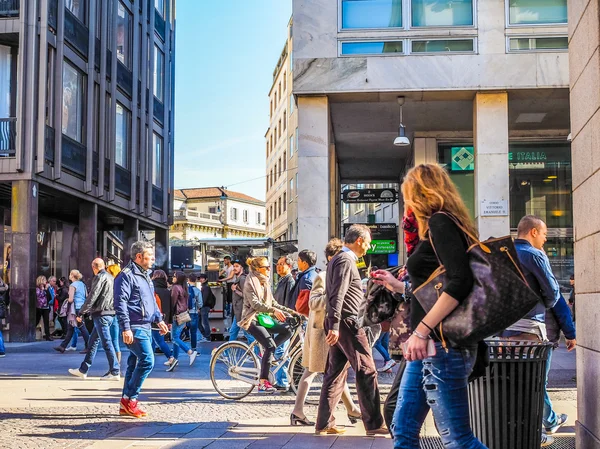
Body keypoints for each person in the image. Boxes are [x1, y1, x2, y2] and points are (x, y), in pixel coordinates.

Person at [373, 164, 487, 448]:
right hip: (429, 346)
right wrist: (399, 287)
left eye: (407, 195)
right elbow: (439, 287)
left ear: (419, 193)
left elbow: (459, 283)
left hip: (441, 345)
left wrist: (421, 331)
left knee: (457, 439)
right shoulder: (443, 225)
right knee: (403, 428)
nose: (406, 203)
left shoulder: (441, 223)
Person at [498, 216, 572, 445]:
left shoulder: (502, 254)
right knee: (532, 382)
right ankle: (533, 433)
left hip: (504, 331)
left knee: (511, 382)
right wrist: (543, 304)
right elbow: (553, 292)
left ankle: (530, 427)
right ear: (532, 232)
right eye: (544, 233)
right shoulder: (534, 255)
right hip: (529, 329)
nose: (545, 238)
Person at [315, 225, 386, 436]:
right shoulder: (345, 260)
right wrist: (335, 324)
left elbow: (336, 293)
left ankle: (324, 423)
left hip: (341, 323)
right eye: (368, 241)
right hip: (347, 323)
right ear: (358, 240)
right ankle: (373, 425)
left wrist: (334, 323)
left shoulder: (339, 259)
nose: (369, 246)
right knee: (367, 369)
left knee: (335, 373)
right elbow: (337, 293)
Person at [291, 238, 361, 426]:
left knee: (336, 372)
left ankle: (352, 409)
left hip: (328, 330)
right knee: (312, 372)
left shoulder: (338, 274)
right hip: (321, 332)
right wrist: (332, 297)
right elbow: (314, 302)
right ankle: (298, 411)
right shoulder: (323, 276)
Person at [115, 241, 168, 418]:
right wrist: (126, 328)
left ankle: (125, 403)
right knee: (147, 360)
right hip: (134, 326)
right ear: (139, 256)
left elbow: (151, 301)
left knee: (133, 363)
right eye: (149, 256)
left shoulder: (146, 275)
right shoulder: (126, 275)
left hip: (146, 325)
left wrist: (159, 319)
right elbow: (120, 303)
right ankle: (131, 400)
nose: (153, 259)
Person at [239, 256, 295, 393]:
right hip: (252, 319)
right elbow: (256, 305)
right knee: (270, 346)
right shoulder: (250, 281)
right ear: (258, 269)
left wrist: (293, 312)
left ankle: (269, 354)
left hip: (264, 318)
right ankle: (263, 382)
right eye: (267, 267)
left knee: (288, 330)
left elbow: (273, 303)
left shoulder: (264, 282)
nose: (270, 269)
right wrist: (274, 310)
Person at [68, 258, 120, 380]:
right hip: (109, 312)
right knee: (93, 342)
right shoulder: (111, 277)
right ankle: (83, 369)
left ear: (94, 267)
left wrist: (81, 312)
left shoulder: (99, 277)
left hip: (101, 314)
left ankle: (115, 371)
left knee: (106, 342)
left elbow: (93, 295)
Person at [272, 256, 296, 391]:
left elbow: (288, 303)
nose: (278, 266)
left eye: (282, 264)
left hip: (284, 320)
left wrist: (286, 317)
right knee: (279, 350)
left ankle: (283, 381)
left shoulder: (289, 281)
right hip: (279, 318)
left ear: (289, 266)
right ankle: (282, 380)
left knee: (281, 350)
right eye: (278, 264)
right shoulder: (282, 280)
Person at [167, 272, 198, 372]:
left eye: (175, 276)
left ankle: (190, 352)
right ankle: (175, 359)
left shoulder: (175, 288)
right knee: (177, 337)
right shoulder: (185, 288)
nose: (173, 277)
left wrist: (168, 317)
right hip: (184, 315)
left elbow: (172, 302)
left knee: (174, 338)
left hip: (177, 316)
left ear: (178, 278)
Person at [54, 270, 91, 352]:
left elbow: (70, 299)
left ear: (72, 276)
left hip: (75, 308)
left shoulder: (72, 285)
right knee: (71, 328)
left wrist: (67, 300)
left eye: (70, 274)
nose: (69, 276)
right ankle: (62, 346)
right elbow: (87, 296)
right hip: (82, 307)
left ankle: (89, 346)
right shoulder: (83, 285)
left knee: (81, 327)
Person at [151, 269, 174, 367]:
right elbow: (170, 307)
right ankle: (149, 359)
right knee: (155, 339)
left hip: (154, 318)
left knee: (157, 340)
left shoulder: (152, 289)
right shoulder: (167, 291)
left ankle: (170, 357)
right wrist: (169, 321)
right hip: (164, 318)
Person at [229, 260, 246, 341]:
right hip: (238, 311)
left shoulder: (242, 279)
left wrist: (235, 290)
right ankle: (228, 352)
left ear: (241, 268)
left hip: (243, 311)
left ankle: (257, 352)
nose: (234, 268)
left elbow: (246, 296)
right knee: (233, 331)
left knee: (248, 333)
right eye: (234, 266)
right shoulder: (238, 279)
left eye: (237, 266)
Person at [187, 274, 203, 351]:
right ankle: (194, 349)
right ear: (196, 280)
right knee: (193, 332)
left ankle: (182, 348)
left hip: (185, 313)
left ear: (188, 280)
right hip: (194, 313)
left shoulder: (185, 290)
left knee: (179, 333)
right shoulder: (197, 291)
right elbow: (200, 303)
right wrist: (198, 308)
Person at [198, 273, 215, 341]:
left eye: (202, 278)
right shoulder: (205, 287)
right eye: (200, 278)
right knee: (201, 322)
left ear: (206, 279)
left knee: (204, 322)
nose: (201, 279)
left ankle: (207, 337)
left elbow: (204, 298)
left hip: (204, 307)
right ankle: (205, 335)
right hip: (204, 307)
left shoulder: (206, 287)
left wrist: (200, 307)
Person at [35, 276, 52, 341]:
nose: (46, 281)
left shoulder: (46, 288)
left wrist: (46, 289)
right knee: (37, 320)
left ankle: (48, 335)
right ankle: (30, 332)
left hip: (46, 307)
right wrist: (44, 289)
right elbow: (39, 295)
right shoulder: (37, 289)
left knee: (46, 321)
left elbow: (49, 297)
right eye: (45, 280)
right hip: (39, 307)